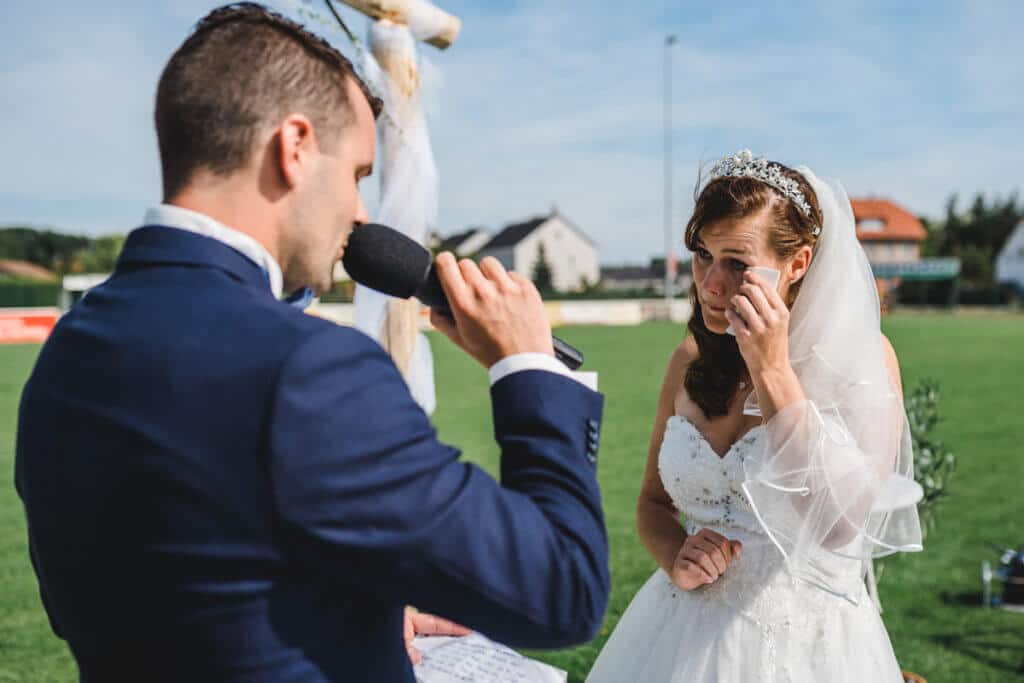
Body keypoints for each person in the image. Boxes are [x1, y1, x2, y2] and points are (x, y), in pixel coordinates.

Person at [14, 5, 609, 682]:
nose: (361, 213)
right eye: (357, 173)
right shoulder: (308, 367)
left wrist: (351, 606)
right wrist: (526, 365)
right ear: (293, 146)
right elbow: (562, 587)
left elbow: (161, 586)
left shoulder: (68, 349)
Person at [586, 150, 923, 682]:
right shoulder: (688, 359)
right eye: (702, 254)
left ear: (798, 263)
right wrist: (677, 554)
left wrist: (772, 370)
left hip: (805, 647)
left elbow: (840, 526)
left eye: (737, 262)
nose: (711, 283)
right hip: (674, 638)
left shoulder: (863, 361)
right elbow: (652, 503)